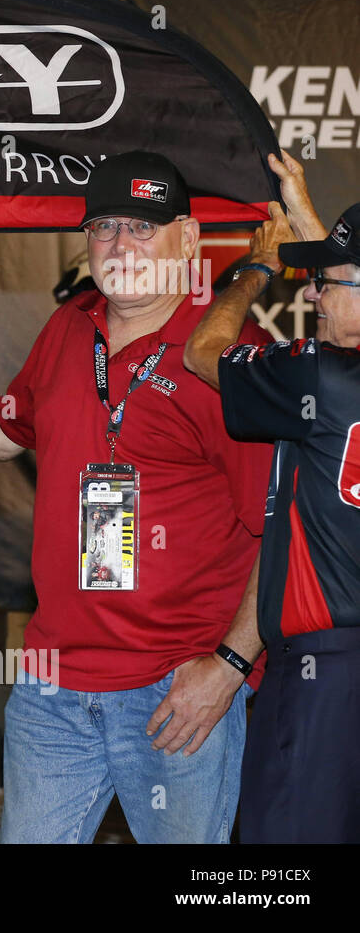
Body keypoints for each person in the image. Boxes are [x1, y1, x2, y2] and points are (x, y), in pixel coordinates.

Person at [0, 151, 272, 843]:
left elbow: (284, 531)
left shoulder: (226, 353)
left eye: (142, 227)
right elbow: (0, 431)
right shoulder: (70, 329)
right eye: (104, 228)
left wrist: (231, 666)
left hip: (175, 691)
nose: (120, 244)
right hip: (53, 688)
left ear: (187, 239)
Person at [185, 150, 360, 842]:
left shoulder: (322, 378)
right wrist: (309, 216)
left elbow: (206, 351)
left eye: (324, 283)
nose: (310, 294)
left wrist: (255, 272)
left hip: (325, 679)